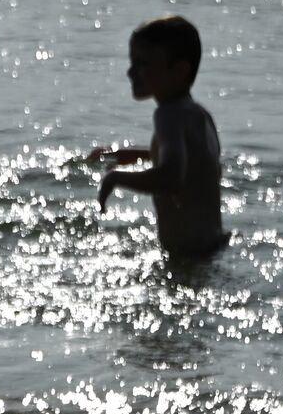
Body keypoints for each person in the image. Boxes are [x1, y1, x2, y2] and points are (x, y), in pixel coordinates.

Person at [89, 15, 227, 259]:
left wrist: (115, 178)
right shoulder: (198, 115)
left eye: (143, 63)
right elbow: (189, 163)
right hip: (213, 249)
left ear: (179, 70)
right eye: (132, 61)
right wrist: (120, 156)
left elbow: (171, 177)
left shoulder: (168, 115)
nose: (131, 72)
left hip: (188, 257)